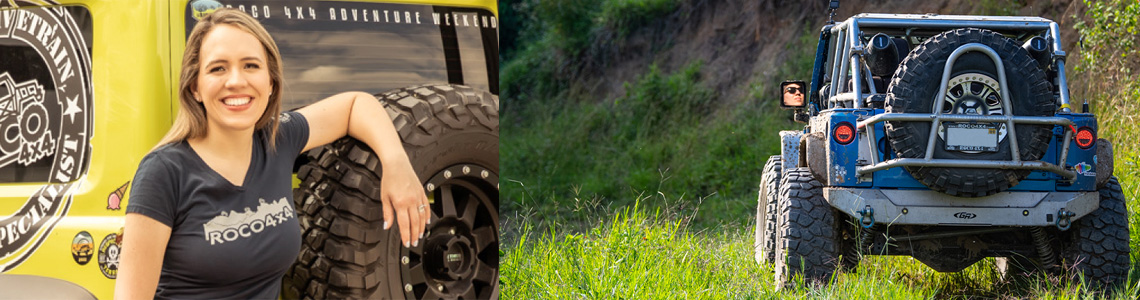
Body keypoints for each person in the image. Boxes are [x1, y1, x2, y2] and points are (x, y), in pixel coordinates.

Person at [114, 8, 428, 299]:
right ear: (195, 86)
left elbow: (355, 104)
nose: (236, 81)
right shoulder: (163, 172)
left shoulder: (278, 139)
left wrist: (396, 162)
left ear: (271, 82)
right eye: (218, 68)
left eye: (251, 65)